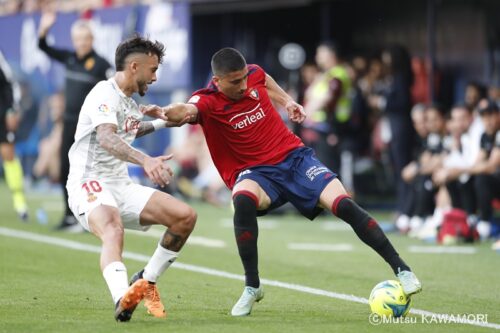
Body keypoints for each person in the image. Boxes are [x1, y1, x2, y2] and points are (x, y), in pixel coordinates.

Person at [155, 48, 422, 317]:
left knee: (344, 205)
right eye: (235, 82)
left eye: (245, 77)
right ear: (217, 79)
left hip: (295, 159)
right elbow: (185, 111)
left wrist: (287, 102)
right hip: (255, 172)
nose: (244, 85)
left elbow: (264, 78)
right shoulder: (206, 101)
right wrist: (167, 112)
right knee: (243, 199)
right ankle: (252, 286)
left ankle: (402, 269)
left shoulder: (254, 75)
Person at [66, 35, 196, 322]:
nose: (155, 77)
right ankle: (122, 299)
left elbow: (129, 130)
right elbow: (107, 138)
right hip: (89, 182)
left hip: (120, 185)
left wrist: (164, 121)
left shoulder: (127, 101)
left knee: (184, 217)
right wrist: (146, 160)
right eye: (152, 70)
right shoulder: (104, 94)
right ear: (134, 66)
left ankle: (146, 281)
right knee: (113, 228)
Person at [38, 10, 112, 232]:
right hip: (69, 123)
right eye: (77, 39)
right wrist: (44, 28)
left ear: (92, 40)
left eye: (84, 39)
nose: (81, 43)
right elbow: (43, 47)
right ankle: (70, 215)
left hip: (90, 127)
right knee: (65, 170)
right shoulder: (70, 58)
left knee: (89, 173)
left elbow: (115, 91)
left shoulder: (101, 65)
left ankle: (91, 216)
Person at [0, 50, 28, 220]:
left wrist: (12, 110)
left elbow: (10, 83)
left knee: (8, 154)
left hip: (1, 114)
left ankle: (20, 203)